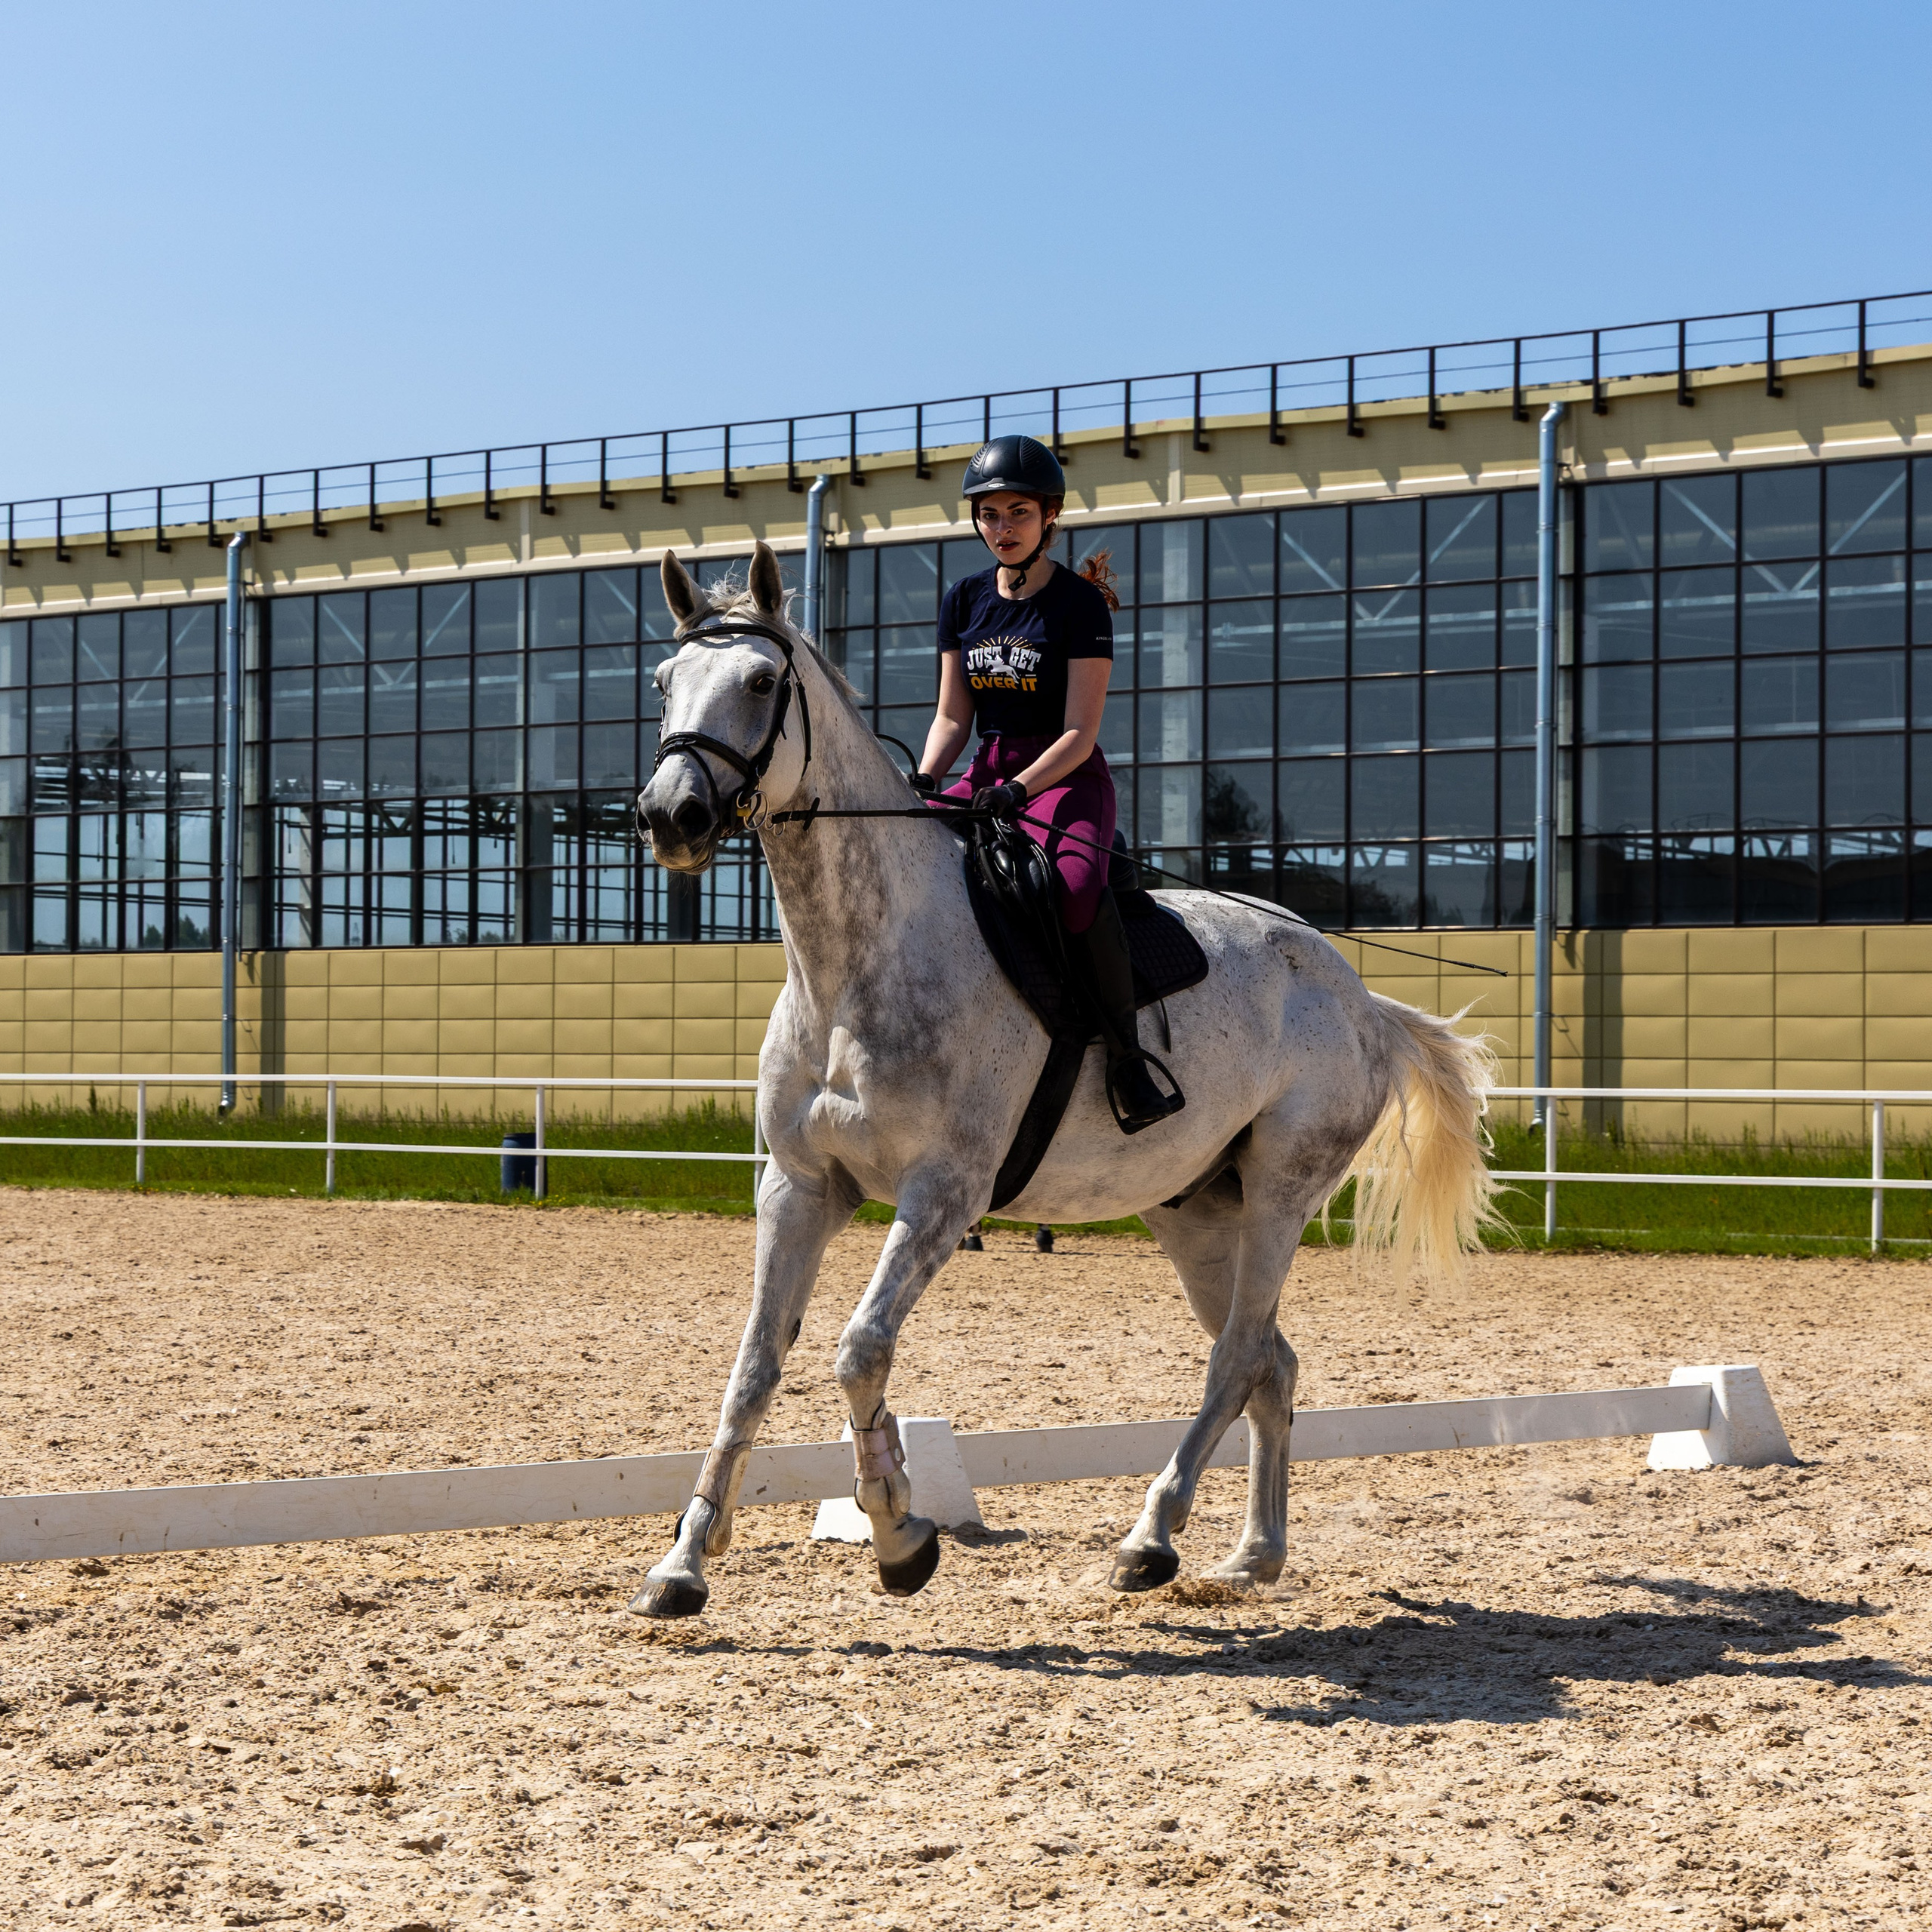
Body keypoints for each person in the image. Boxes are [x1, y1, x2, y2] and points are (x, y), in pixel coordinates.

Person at [911, 435, 1184, 1134]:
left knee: (1073, 890)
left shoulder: (1080, 604)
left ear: (1050, 515)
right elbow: (952, 717)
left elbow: (1079, 734)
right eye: (990, 515)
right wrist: (926, 779)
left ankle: (1127, 1059)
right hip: (986, 770)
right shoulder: (963, 599)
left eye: (1018, 513)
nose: (1002, 528)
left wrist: (1018, 790)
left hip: (1062, 776)